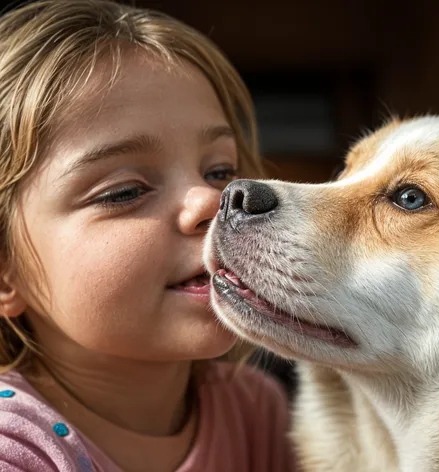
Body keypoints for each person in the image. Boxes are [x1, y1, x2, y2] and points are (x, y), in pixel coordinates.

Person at [0, 1, 296, 470]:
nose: (209, 201)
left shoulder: (255, 411)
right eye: (124, 192)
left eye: (220, 170)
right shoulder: (15, 448)